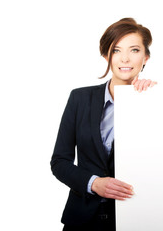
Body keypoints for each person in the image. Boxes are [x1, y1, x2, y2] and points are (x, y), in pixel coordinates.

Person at [50, 18, 155, 231]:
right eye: (116, 50)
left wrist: (156, 99)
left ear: (145, 57)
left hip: (136, 218)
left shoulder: (155, 102)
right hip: (82, 219)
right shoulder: (80, 98)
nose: (125, 58)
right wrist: (94, 183)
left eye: (134, 50)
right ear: (107, 56)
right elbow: (60, 161)